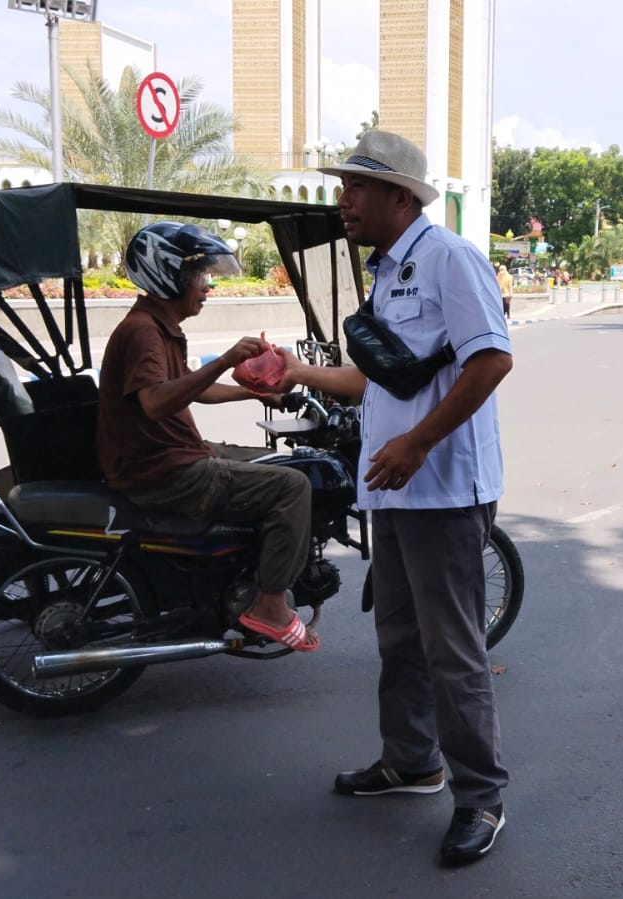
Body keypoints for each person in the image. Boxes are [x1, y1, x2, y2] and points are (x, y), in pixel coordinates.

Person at [274, 129, 514, 865]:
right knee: (398, 641)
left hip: (442, 489)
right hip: (394, 493)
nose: (341, 200)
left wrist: (418, 444)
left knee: (453, 652)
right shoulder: (387, 273)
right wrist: (293, 370)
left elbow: (492, 358)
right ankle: (412, 762)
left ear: (398, 195)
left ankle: (481, 798)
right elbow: (375, 378)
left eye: (354, 187)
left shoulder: (450, 258)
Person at [97, 222, 318, 652]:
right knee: (293, 486)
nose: (207, 286)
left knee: (265, 462)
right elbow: (156, 402)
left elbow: (190, 390)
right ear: (167, 274)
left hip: (169, 459)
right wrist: (224, 360)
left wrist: (256, 393)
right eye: (198, 275)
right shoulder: (144, 330)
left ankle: (237, 578)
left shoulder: (158, 325)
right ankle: (270, 605)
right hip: (165, 473)